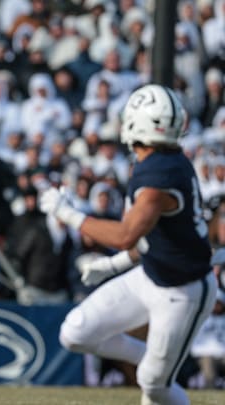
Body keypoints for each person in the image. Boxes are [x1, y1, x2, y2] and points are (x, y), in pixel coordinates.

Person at [39, 84, 217, 405]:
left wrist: (67, 213)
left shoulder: (159, 176)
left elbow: (126, 235)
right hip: (152, 274)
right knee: (75, 332)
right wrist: (112, 265)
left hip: (183, 290)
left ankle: (155, 367)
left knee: (153, 383)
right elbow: (152, 239)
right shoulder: (159, 161)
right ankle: (151, 357)